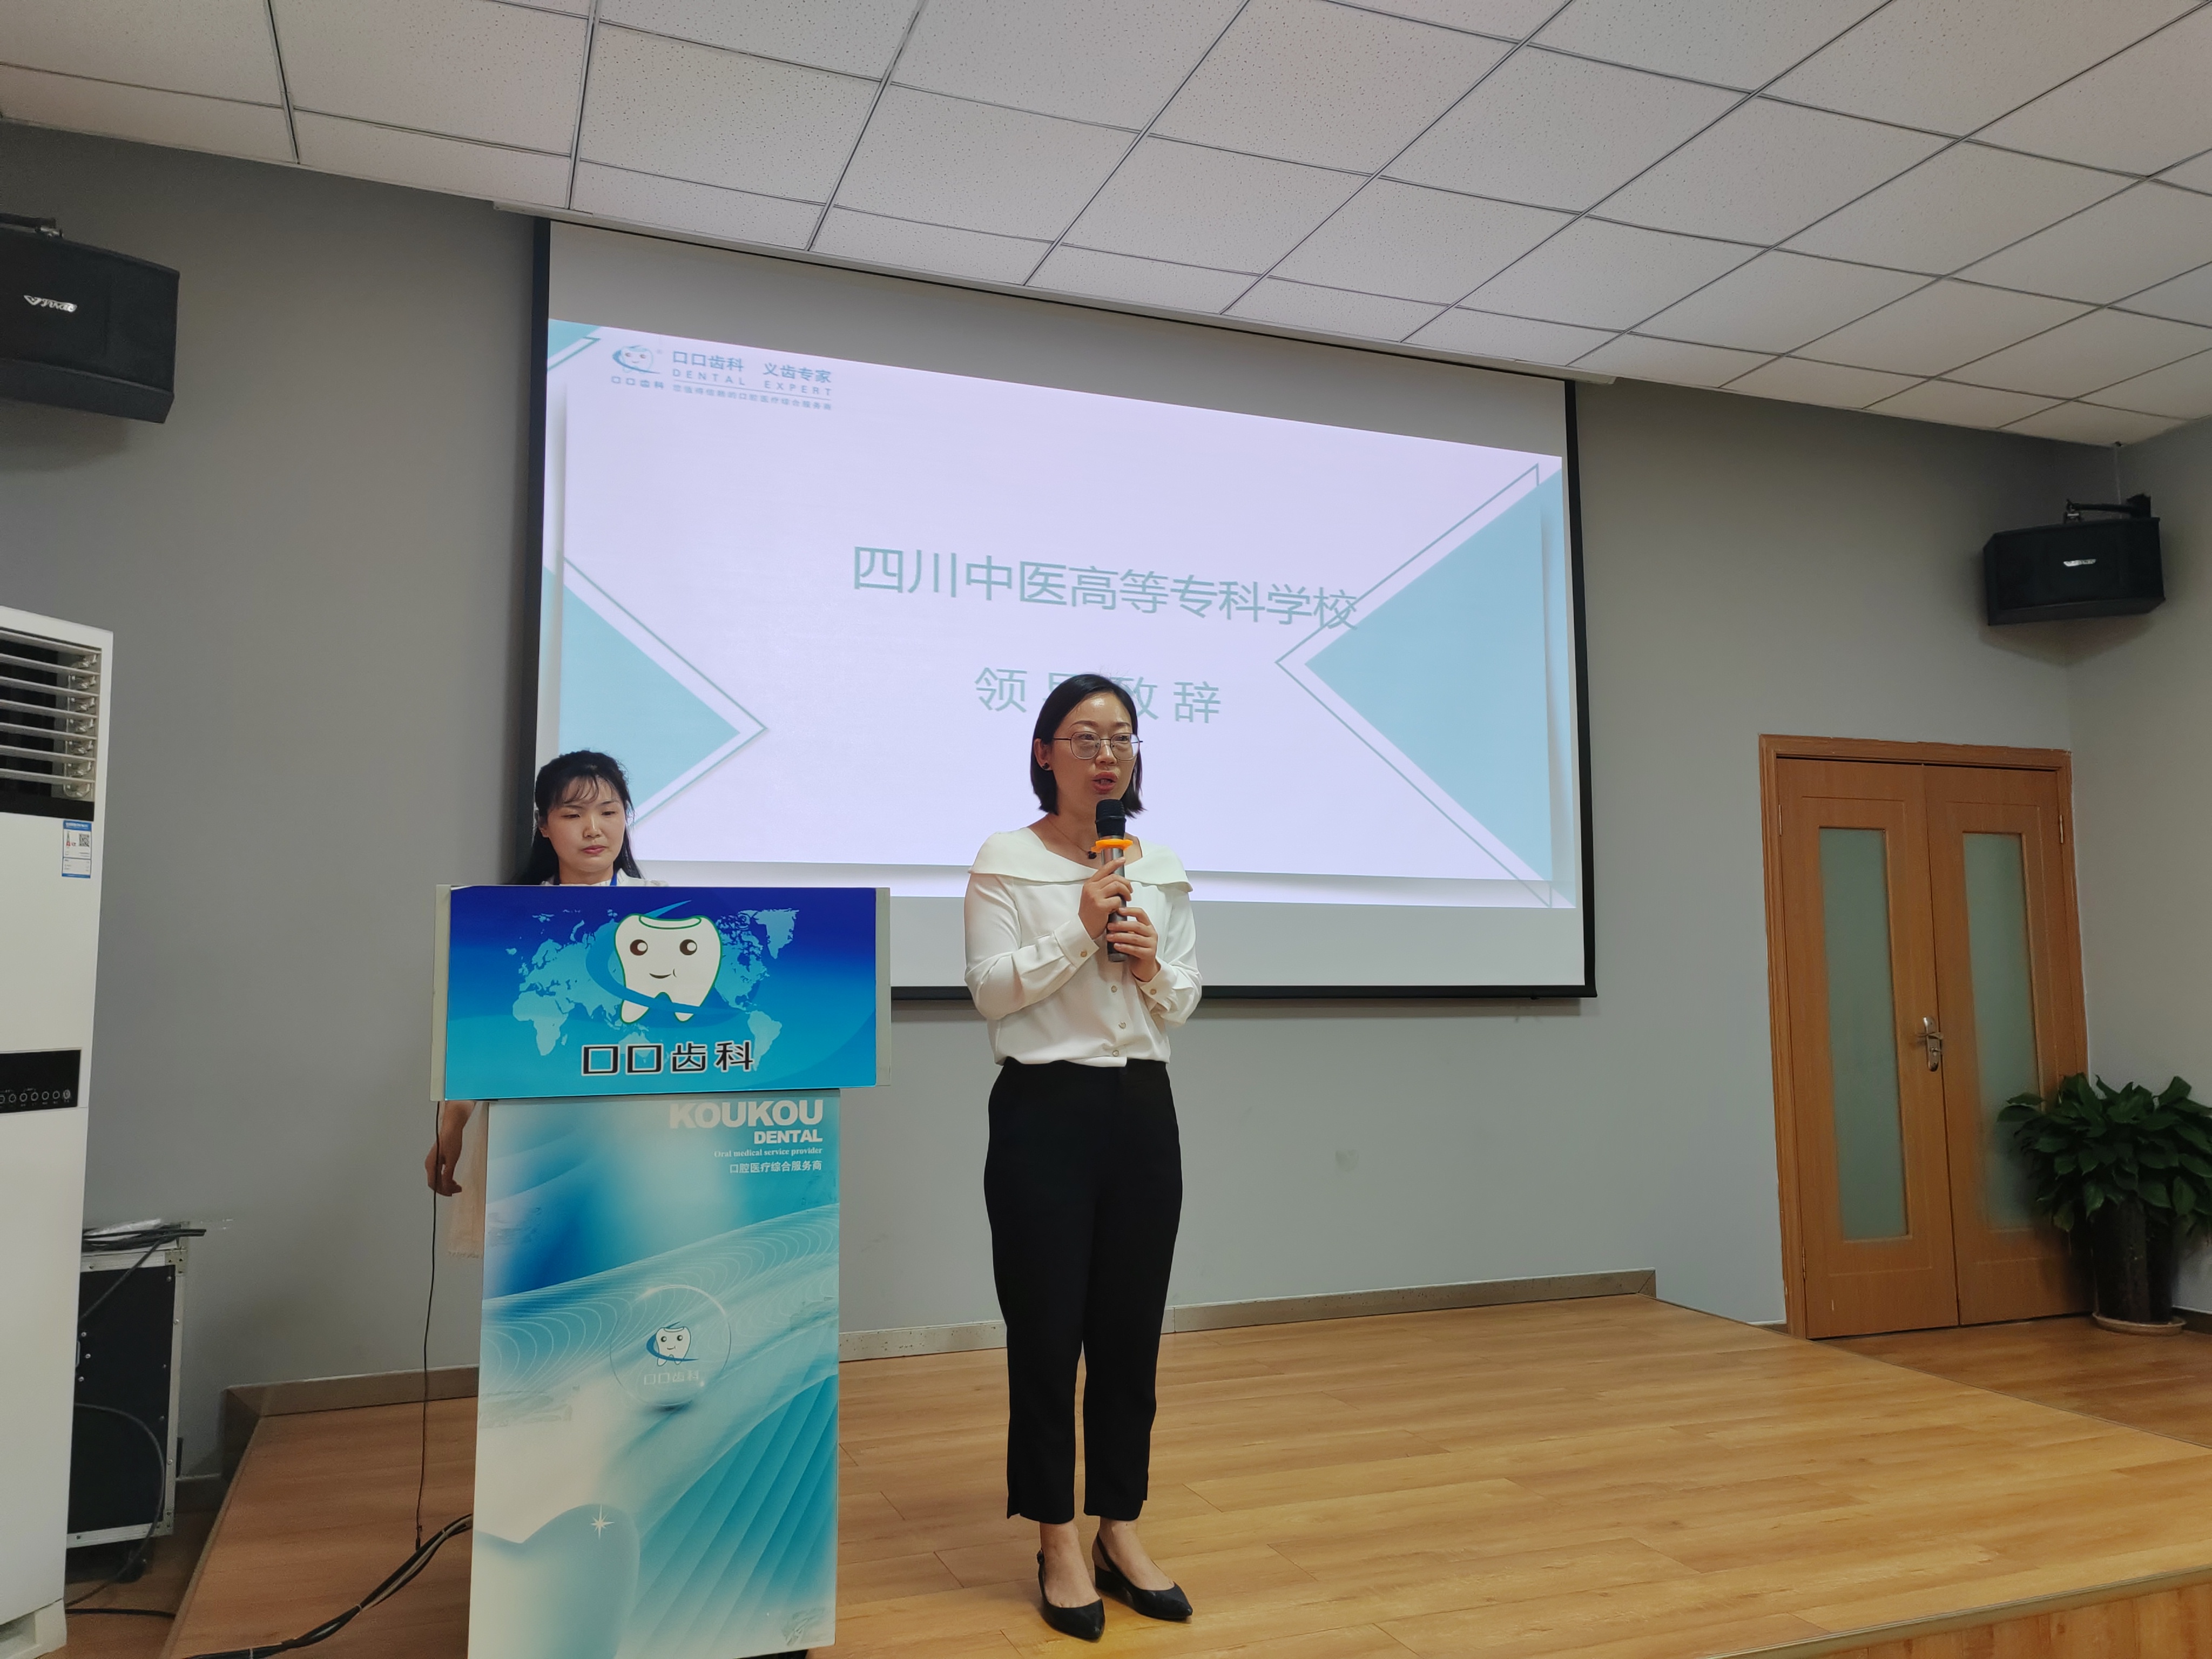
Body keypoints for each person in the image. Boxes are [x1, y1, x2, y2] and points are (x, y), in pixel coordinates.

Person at [964, 674, 1204, 1641]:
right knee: (1046, 1334)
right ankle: (1055, 1538)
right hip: (1045, 1109)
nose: (1107, 754)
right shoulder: (1006, 858)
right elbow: (990, 991)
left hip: (1142, 1109)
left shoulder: (1161, 865)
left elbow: (1183, 998)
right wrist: (1078, 927)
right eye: (1084, 736)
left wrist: (1148, 962)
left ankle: (1120, 1527)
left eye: (1122, 737)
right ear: (1044, 752)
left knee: (1130, 1335)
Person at [423, 750, 650, 1255]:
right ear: (545, 826)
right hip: (531, 1132)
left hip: (638, 1130)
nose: (593, 829)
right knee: (535, 1277)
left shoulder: (668, 912)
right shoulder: (505, 919)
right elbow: (483, 1039)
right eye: (573, 815)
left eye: (609, 812)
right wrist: (452, 1126)